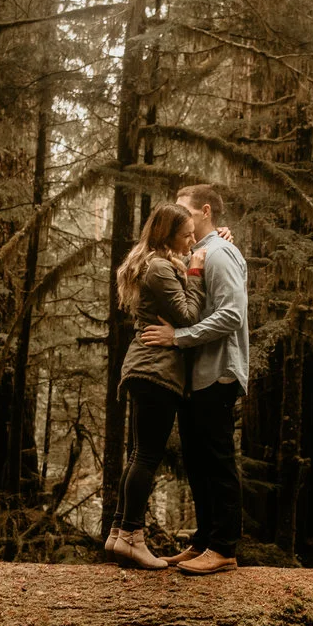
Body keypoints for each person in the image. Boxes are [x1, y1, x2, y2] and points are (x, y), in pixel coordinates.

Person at [138, 182, 246, 575]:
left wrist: (178, 337)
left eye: (183, 210)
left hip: (217, 372)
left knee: (217, 459)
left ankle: (224, 547)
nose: (178, 217)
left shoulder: (220, 254)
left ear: (204, 212)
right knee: (198, 461)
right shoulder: (198, 255)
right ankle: (204, 542)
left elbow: (232, 315)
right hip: (195, 375)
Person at [102, 203, 198, 570]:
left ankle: (118, 533)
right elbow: (189, 316)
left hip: (146, 367)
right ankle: (132, 536)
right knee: (146, 456)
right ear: (166, 236)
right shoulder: (160, 267)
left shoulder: (153, 263)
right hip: (156, 368)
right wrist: (196, 277)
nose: (191, 240)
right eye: (185, 234)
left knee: (139, 453)